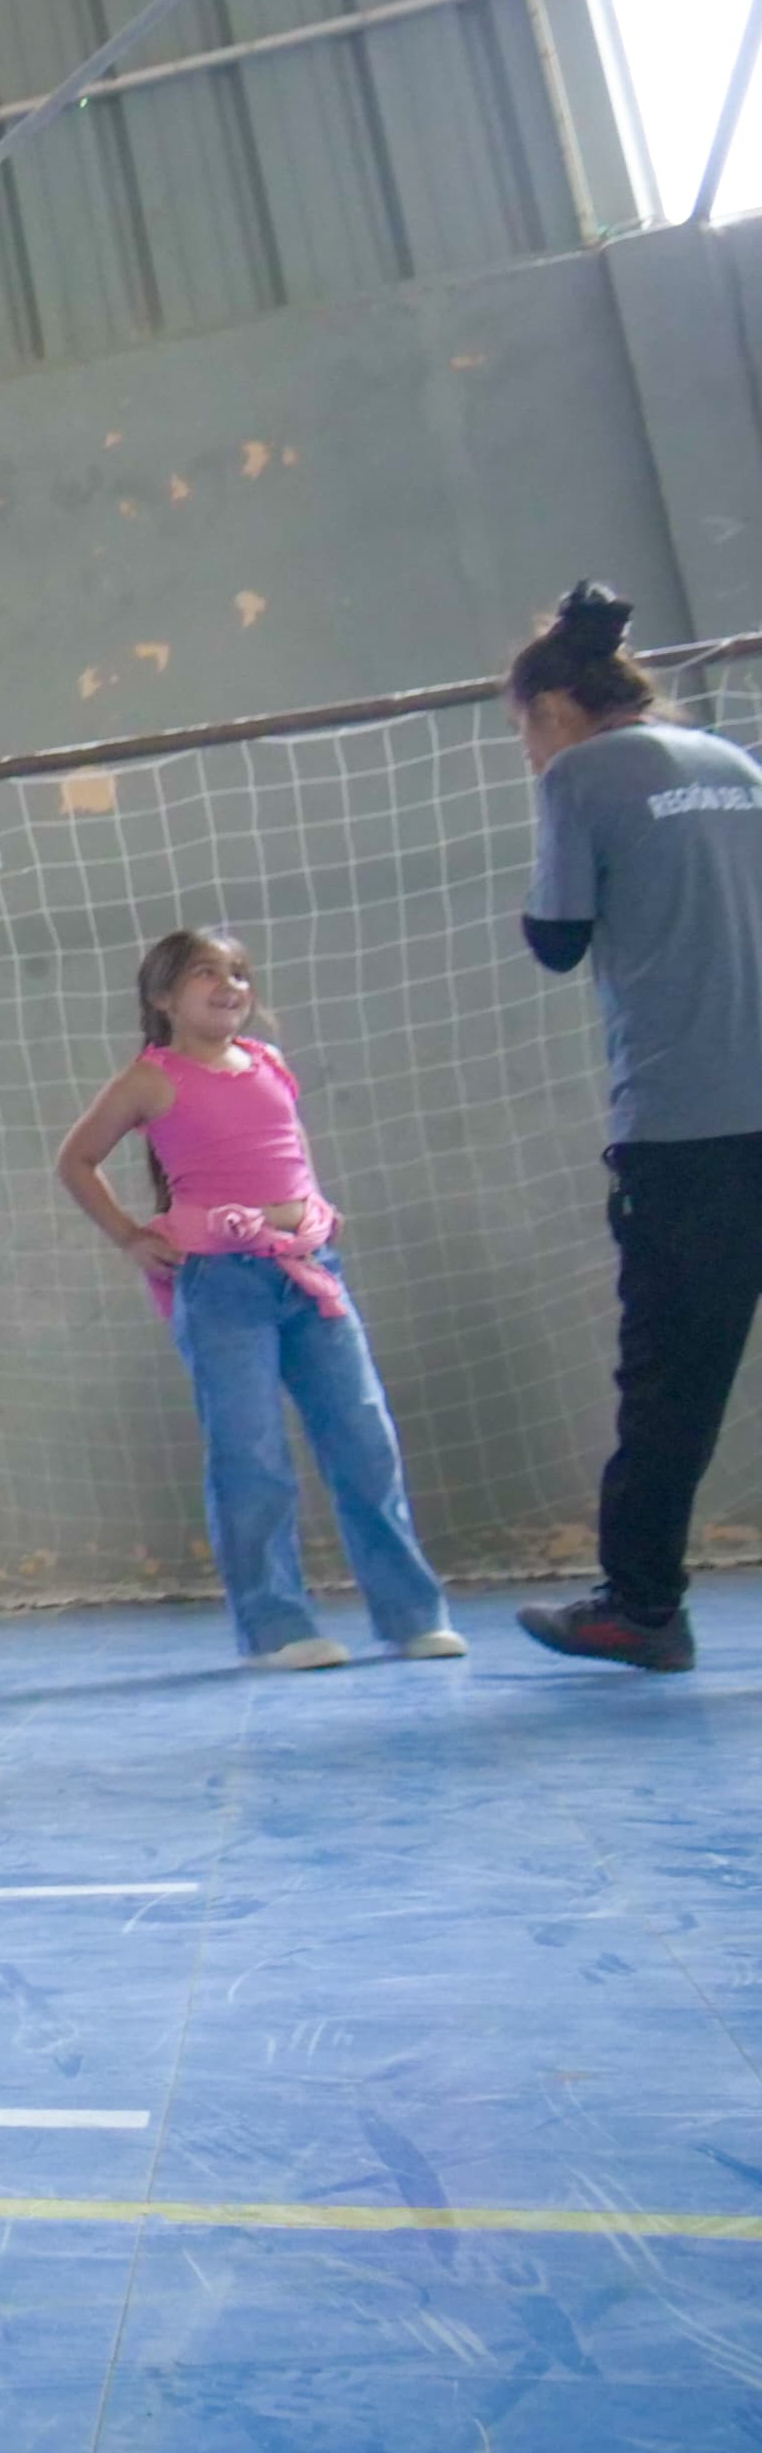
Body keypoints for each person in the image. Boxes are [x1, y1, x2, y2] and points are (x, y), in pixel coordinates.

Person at [53, 931, 458, 1669]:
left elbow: (288, 1149)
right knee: (251, 1454)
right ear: (163, 998)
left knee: (364, 1439)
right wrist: (129, 1236)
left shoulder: (269, 1063)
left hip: (309, 1272)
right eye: (206, 973)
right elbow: (75, 1159)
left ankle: (411, 1614)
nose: (230, 985)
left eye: (238, 973)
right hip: (222, 1285)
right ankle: (275, 1625)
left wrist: (310, 1212)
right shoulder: (152, 1078)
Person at [509, 582, 762, 1672]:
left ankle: (640, 1605)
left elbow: (556, 938)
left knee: (668, 1381)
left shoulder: (578, 775)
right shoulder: (734, 765)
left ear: (550, 708)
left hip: (684, 1126)